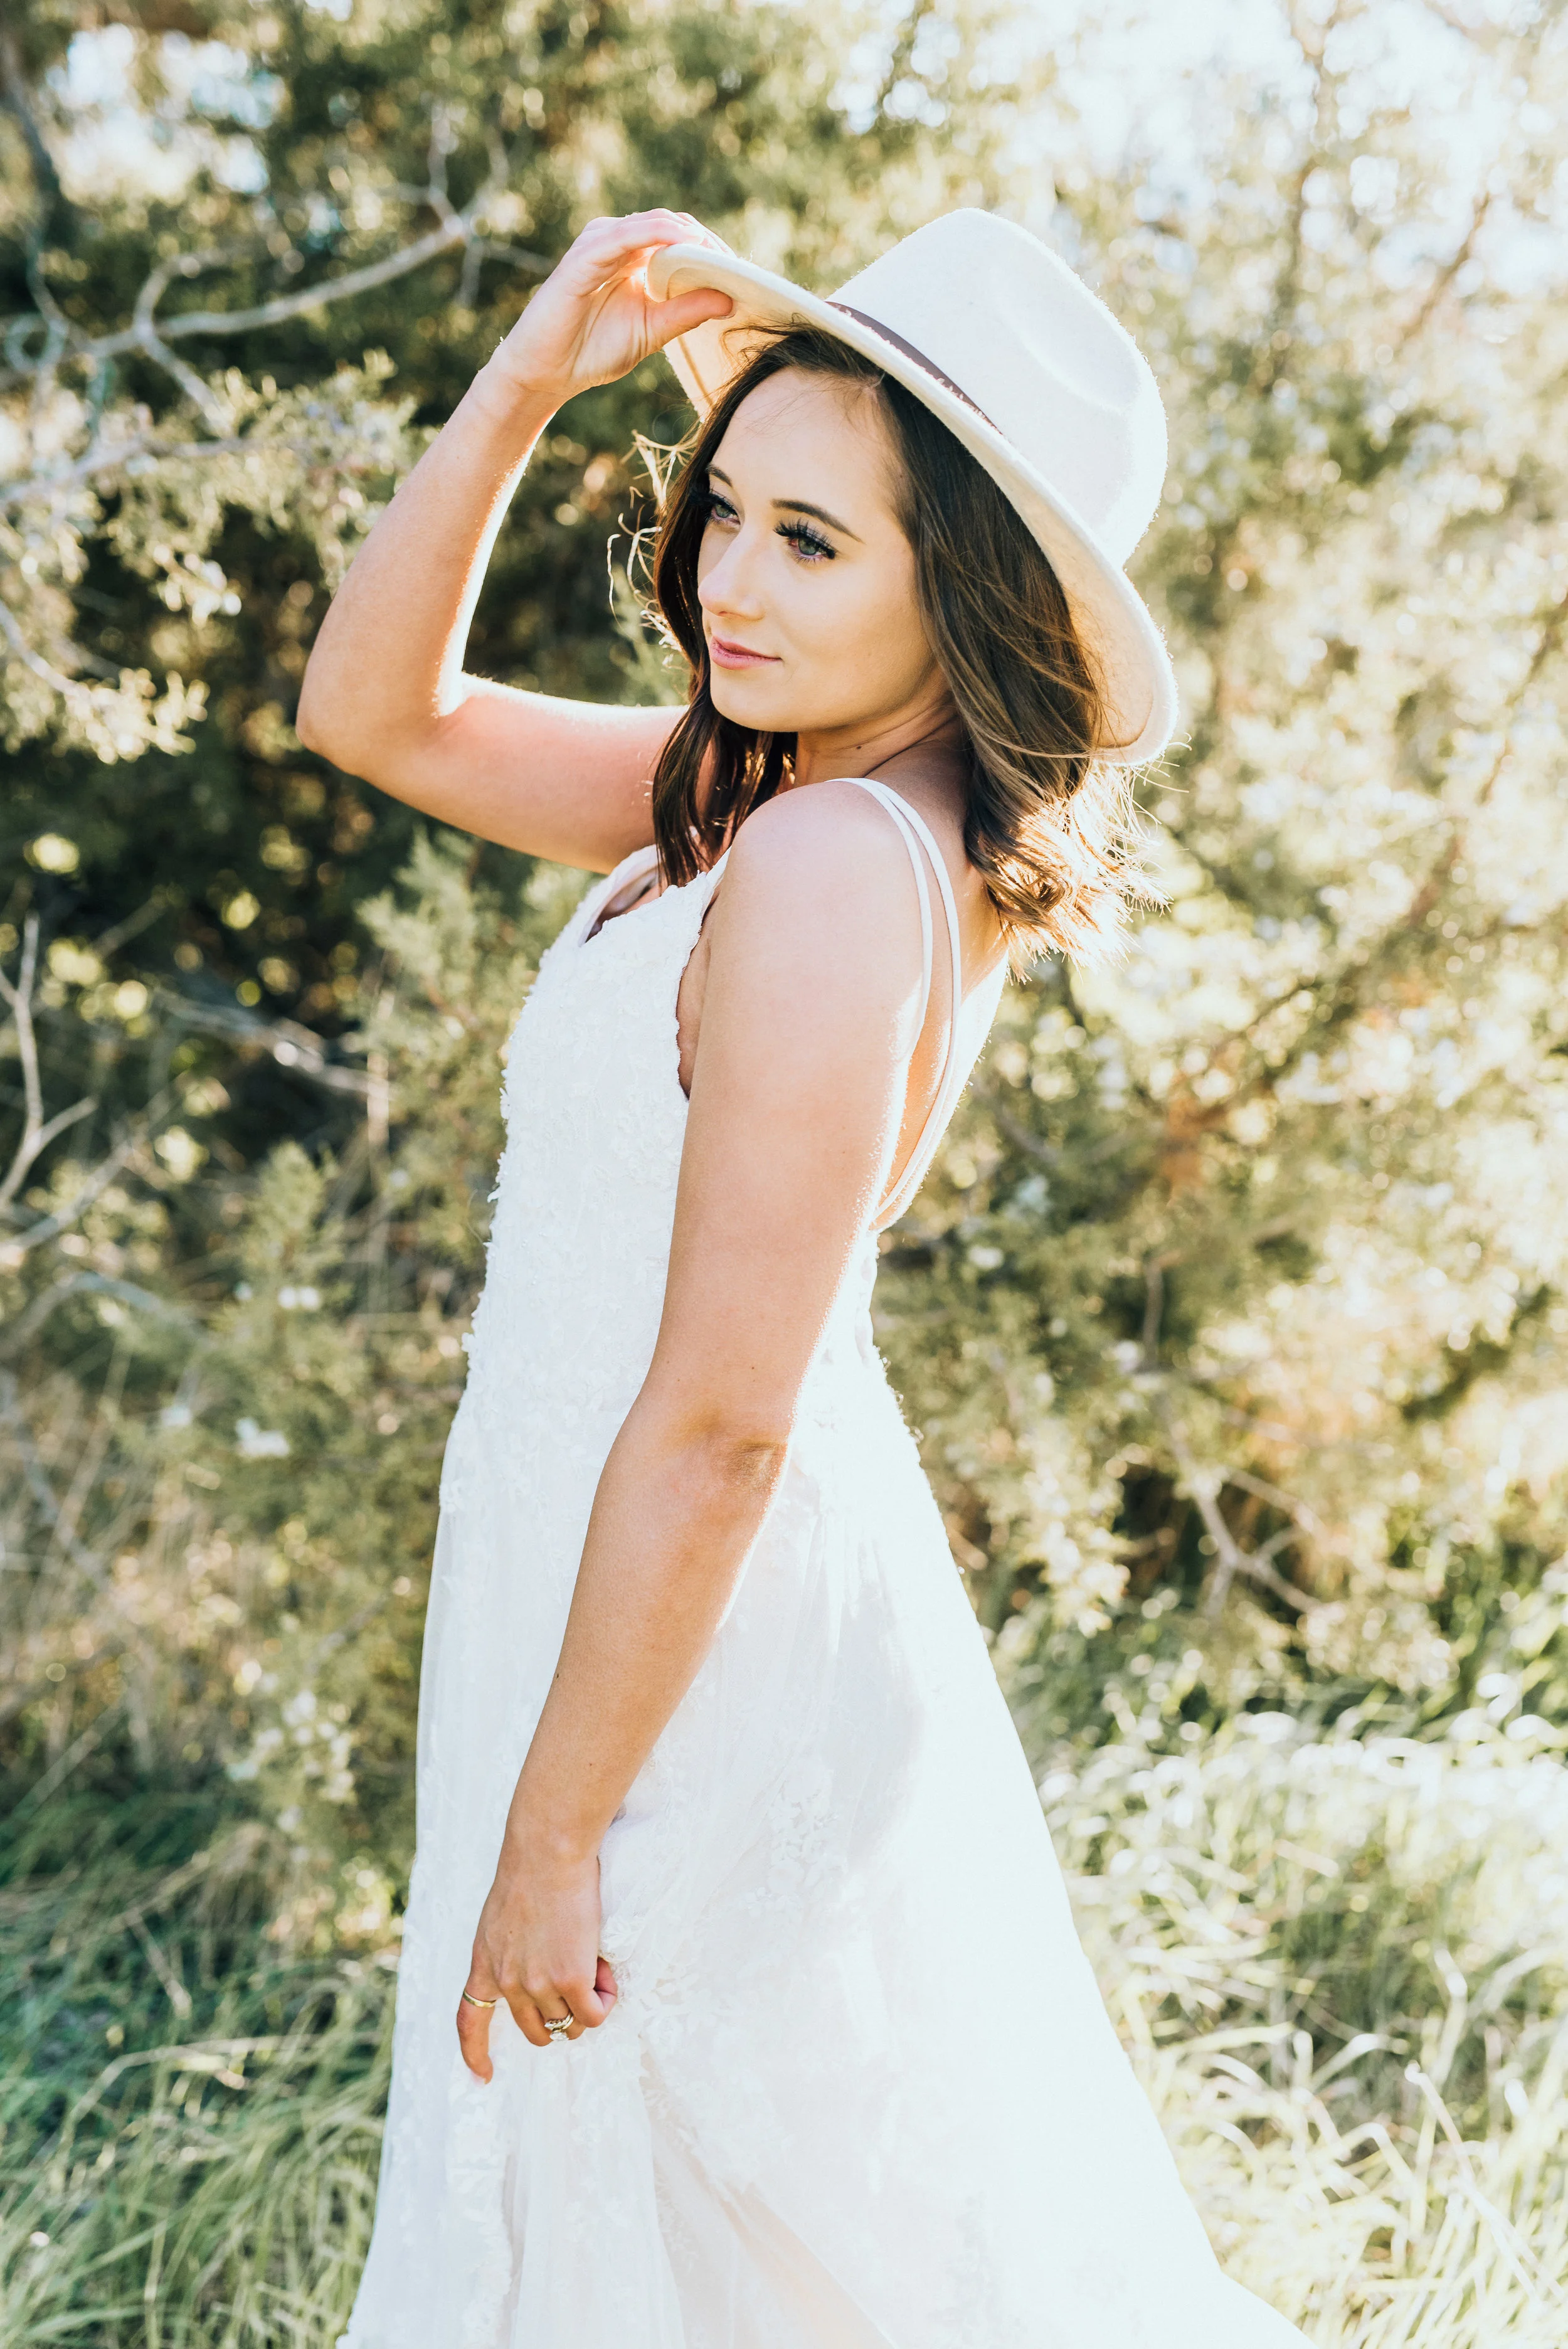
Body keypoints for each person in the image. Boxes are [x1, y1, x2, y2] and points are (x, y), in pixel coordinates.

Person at [299, 206, 1308, 2348]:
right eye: (723, 513)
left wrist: (555, 1832)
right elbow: (376, 713)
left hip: (690, 1646)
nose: (725, 587)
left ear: (968, 590)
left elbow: (724, 1424)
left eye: (812, 542)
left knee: (736, 2239)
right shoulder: (766, 799)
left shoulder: (838, 863)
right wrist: (522, 385)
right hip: (601, 1590)